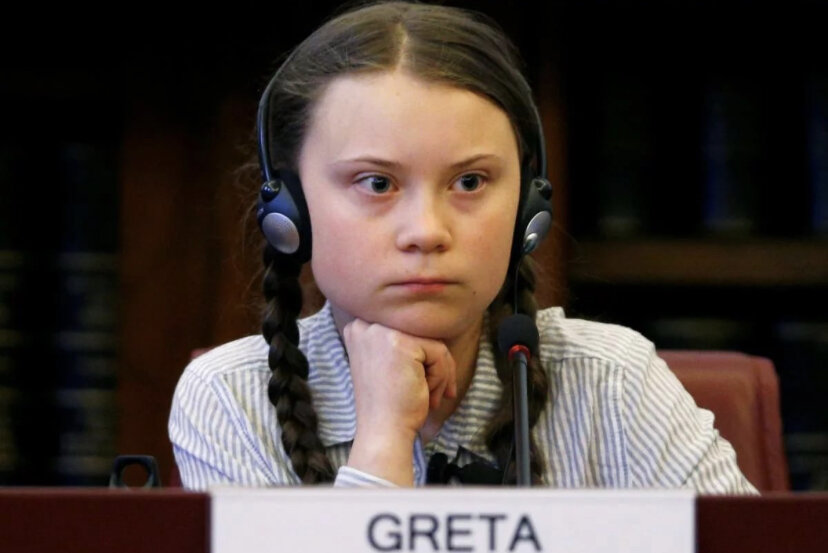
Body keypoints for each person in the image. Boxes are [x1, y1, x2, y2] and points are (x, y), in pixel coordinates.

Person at [168, 0, 758, 493]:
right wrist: (382, 443)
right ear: (290, 210)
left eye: (470, 182)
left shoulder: (614, 382)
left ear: (528, 206)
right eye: (377, 183)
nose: (427, 231)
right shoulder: (232, 399)